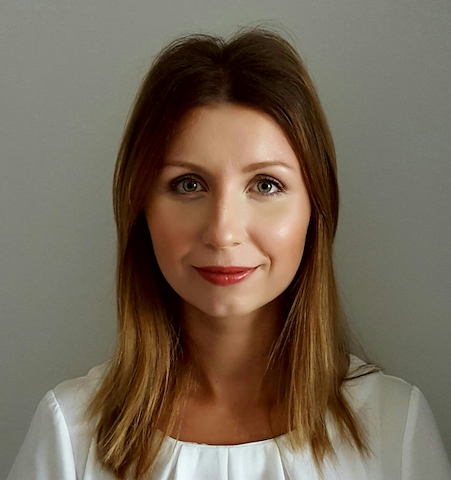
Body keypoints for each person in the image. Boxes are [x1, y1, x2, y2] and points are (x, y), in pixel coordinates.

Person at [7, 28, 451, 480]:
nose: (223, 232)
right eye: (189, 184)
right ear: (140, 210)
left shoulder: (395, 426)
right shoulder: (70, 434)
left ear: (315, 210)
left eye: (266, 185)